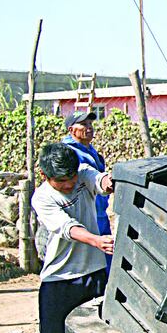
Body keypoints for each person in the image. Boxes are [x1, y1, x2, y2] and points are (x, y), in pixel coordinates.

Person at [31, 143, 115, 333]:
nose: (69, 186)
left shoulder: (82, 175)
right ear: (44, 175)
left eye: (71, 180)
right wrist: (97, 240)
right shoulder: (42, 198)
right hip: (58, 280)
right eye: (61, 182)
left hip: (93, 275)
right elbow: (67, 228)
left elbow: (101, 182)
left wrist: (111, 180)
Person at [62, 111, 111, 266]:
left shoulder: (90, 150)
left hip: (100, 212)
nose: (89, 128)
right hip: (83, 214)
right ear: (71, 130)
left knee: (106, 256)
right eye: (83, 124)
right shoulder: (68, 153)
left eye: (90, 124)